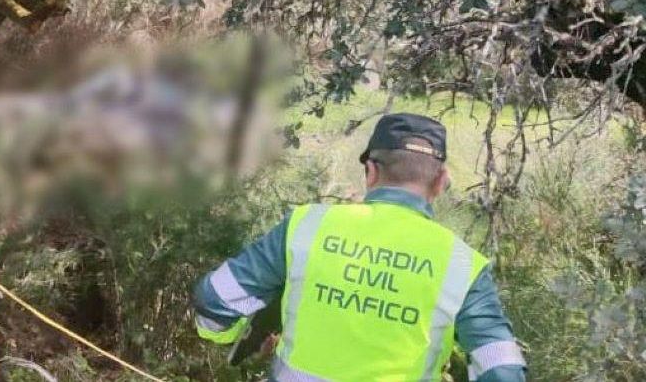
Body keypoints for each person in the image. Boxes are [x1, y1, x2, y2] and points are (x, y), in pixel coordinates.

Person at [192, 113, 528, 381]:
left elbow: (215, 299)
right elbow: (501, 368)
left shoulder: (307, 226)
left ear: (370, 171)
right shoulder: (461, 265)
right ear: (440, 182)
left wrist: (228, 336)